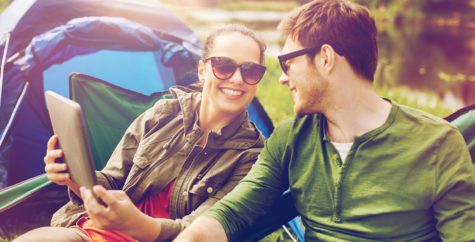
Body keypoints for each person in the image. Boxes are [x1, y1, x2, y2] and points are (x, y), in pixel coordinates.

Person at [174, 0, 475, 241]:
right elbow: (233, 212)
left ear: (325, 59)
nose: (281, 78)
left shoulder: (438, 143)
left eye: (287, 63)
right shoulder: (292, 136)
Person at [14, 24, 268, 242]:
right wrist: (74, 176)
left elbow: (200, 230)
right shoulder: (163, 114)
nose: (237, 79)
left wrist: (137, 224)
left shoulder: (252, 156)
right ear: (202, 70)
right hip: (93, 232)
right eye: (224, 66)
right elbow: (112, 182)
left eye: (250, 70)